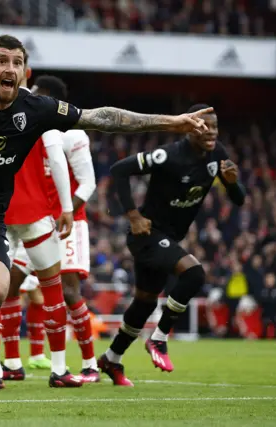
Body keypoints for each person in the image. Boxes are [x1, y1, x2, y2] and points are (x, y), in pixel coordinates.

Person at [0, 35, 213, 413]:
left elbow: (101, 118)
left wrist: (172, 122)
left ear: (22, 71)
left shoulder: (35, 108)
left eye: (16, 62)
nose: (8, 68)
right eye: (1, 60)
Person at [99, 104, 245, 386]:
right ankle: (159, 339)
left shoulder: (217, 154)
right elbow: (119, 170)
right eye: (204, 126)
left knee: (143, 304)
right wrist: (133, 215)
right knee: (194, 274)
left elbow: (238, 199)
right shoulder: (169, 155)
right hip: (148, 234)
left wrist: (233, 184)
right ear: (189, 127)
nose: (211, 132)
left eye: (214, 126)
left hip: (168, 238)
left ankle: (111, 359)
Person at [0, 75, 101, 383]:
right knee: (10, 284)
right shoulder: (29, 127)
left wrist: (67, 210)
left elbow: (89, 182)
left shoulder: (72, 135)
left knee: (67, 291)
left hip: (68, 223)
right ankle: (13, 363)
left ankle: (90, 364)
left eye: (38, 96)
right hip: (35, 219)